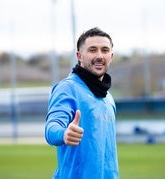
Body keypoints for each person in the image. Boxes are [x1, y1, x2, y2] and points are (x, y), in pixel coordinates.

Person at [44, 27, 119, 179]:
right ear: (79, 56)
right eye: (92, 50)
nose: (99, 56)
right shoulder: (68, 88)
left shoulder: (108, 98)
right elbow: (52, 127)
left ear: (111, 56)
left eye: (105, 50)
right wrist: (64, 133)